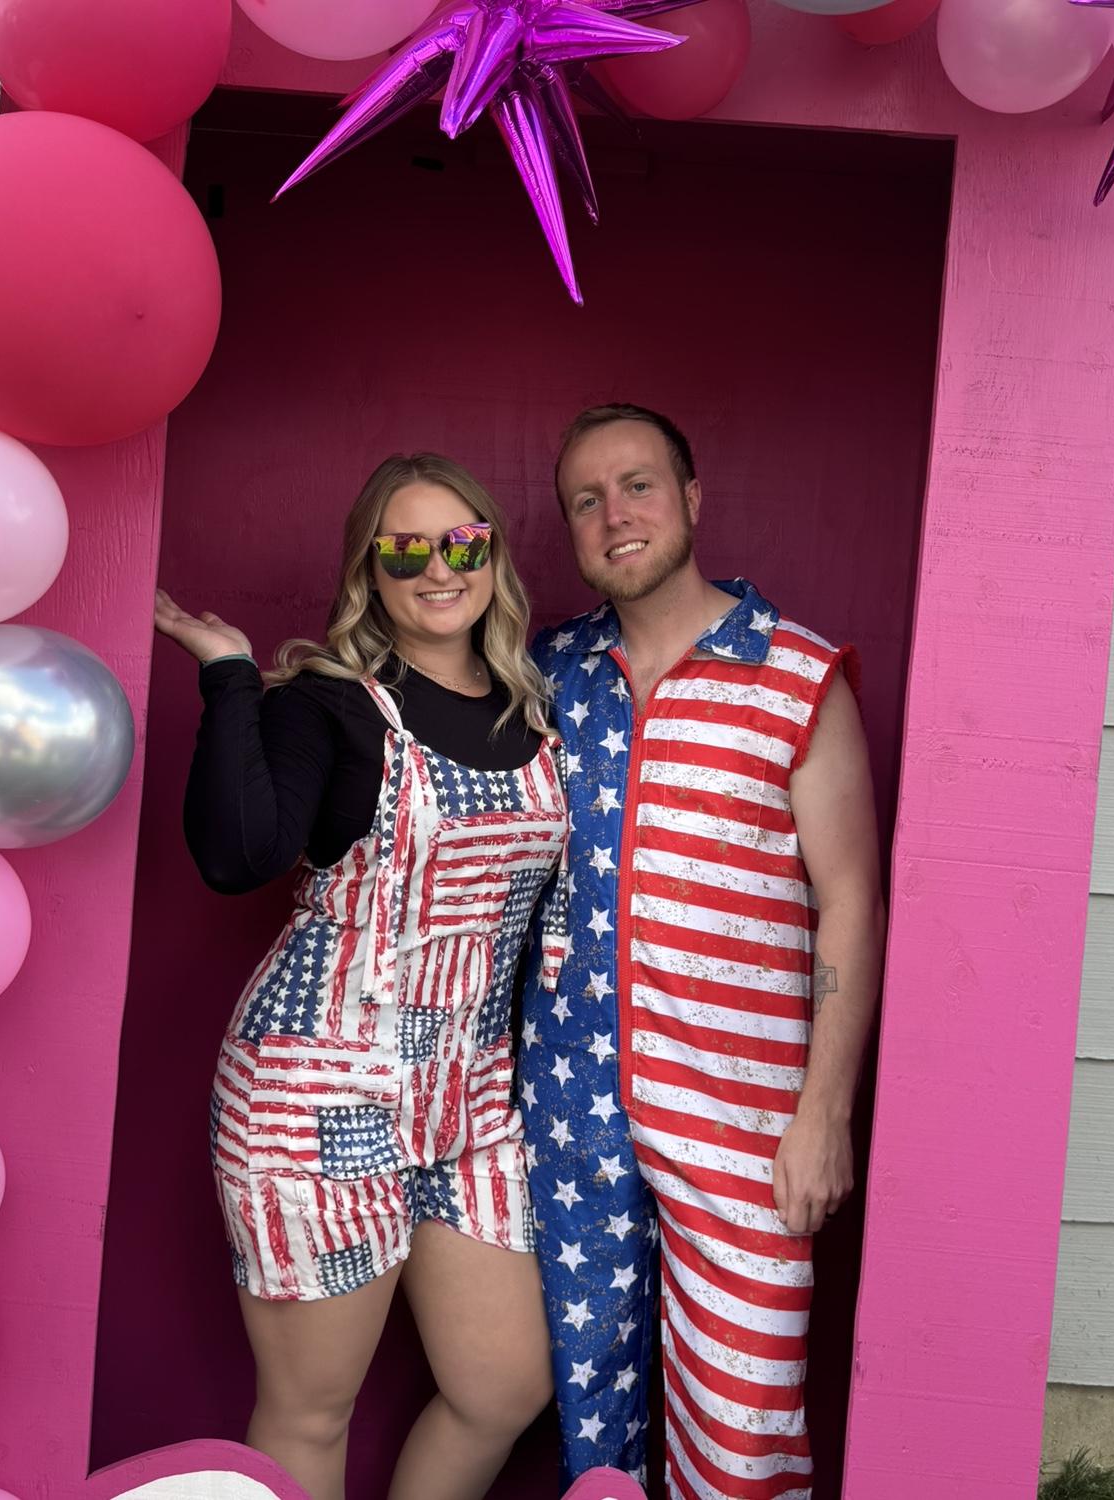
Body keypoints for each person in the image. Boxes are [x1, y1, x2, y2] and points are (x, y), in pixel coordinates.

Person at [155, 453, 568, 1500]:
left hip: (470, 1097)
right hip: (317, 1088)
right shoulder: (331, 706)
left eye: (463, 544)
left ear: (493, 556)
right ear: (368, 571)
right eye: (406, 549)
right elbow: (237, 855)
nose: (438, 569)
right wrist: (229, 675)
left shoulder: (535, 711)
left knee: (504, 1388)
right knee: (312, 1408)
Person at [521, 405, 886, 1499]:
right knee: (593, 1429)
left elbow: (851, 899)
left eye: (637, 485)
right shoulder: (548, 674)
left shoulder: (795, 674)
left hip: (743, 1116)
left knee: (740, 1435)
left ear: (690, 498)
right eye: (586, 500)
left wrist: (824, 1112)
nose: (614, 515)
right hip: (573, 1104)